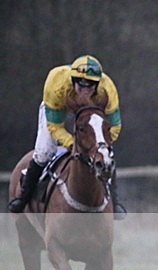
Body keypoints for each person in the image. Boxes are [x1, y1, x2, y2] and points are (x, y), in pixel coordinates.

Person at [8, 54, 127, 219]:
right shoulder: (56, 84)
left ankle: (115, 202)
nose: (85, 90)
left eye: (91, 86)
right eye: (81, 84)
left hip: (93, 114)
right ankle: (23, 198)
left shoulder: (107, 90)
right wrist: (73, 143)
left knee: (106, 155)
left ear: (98, 84)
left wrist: (97, 147)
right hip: (60, 108)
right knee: (44, 152)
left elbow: (114, 127)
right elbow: (55, 126)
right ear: (72, 81)